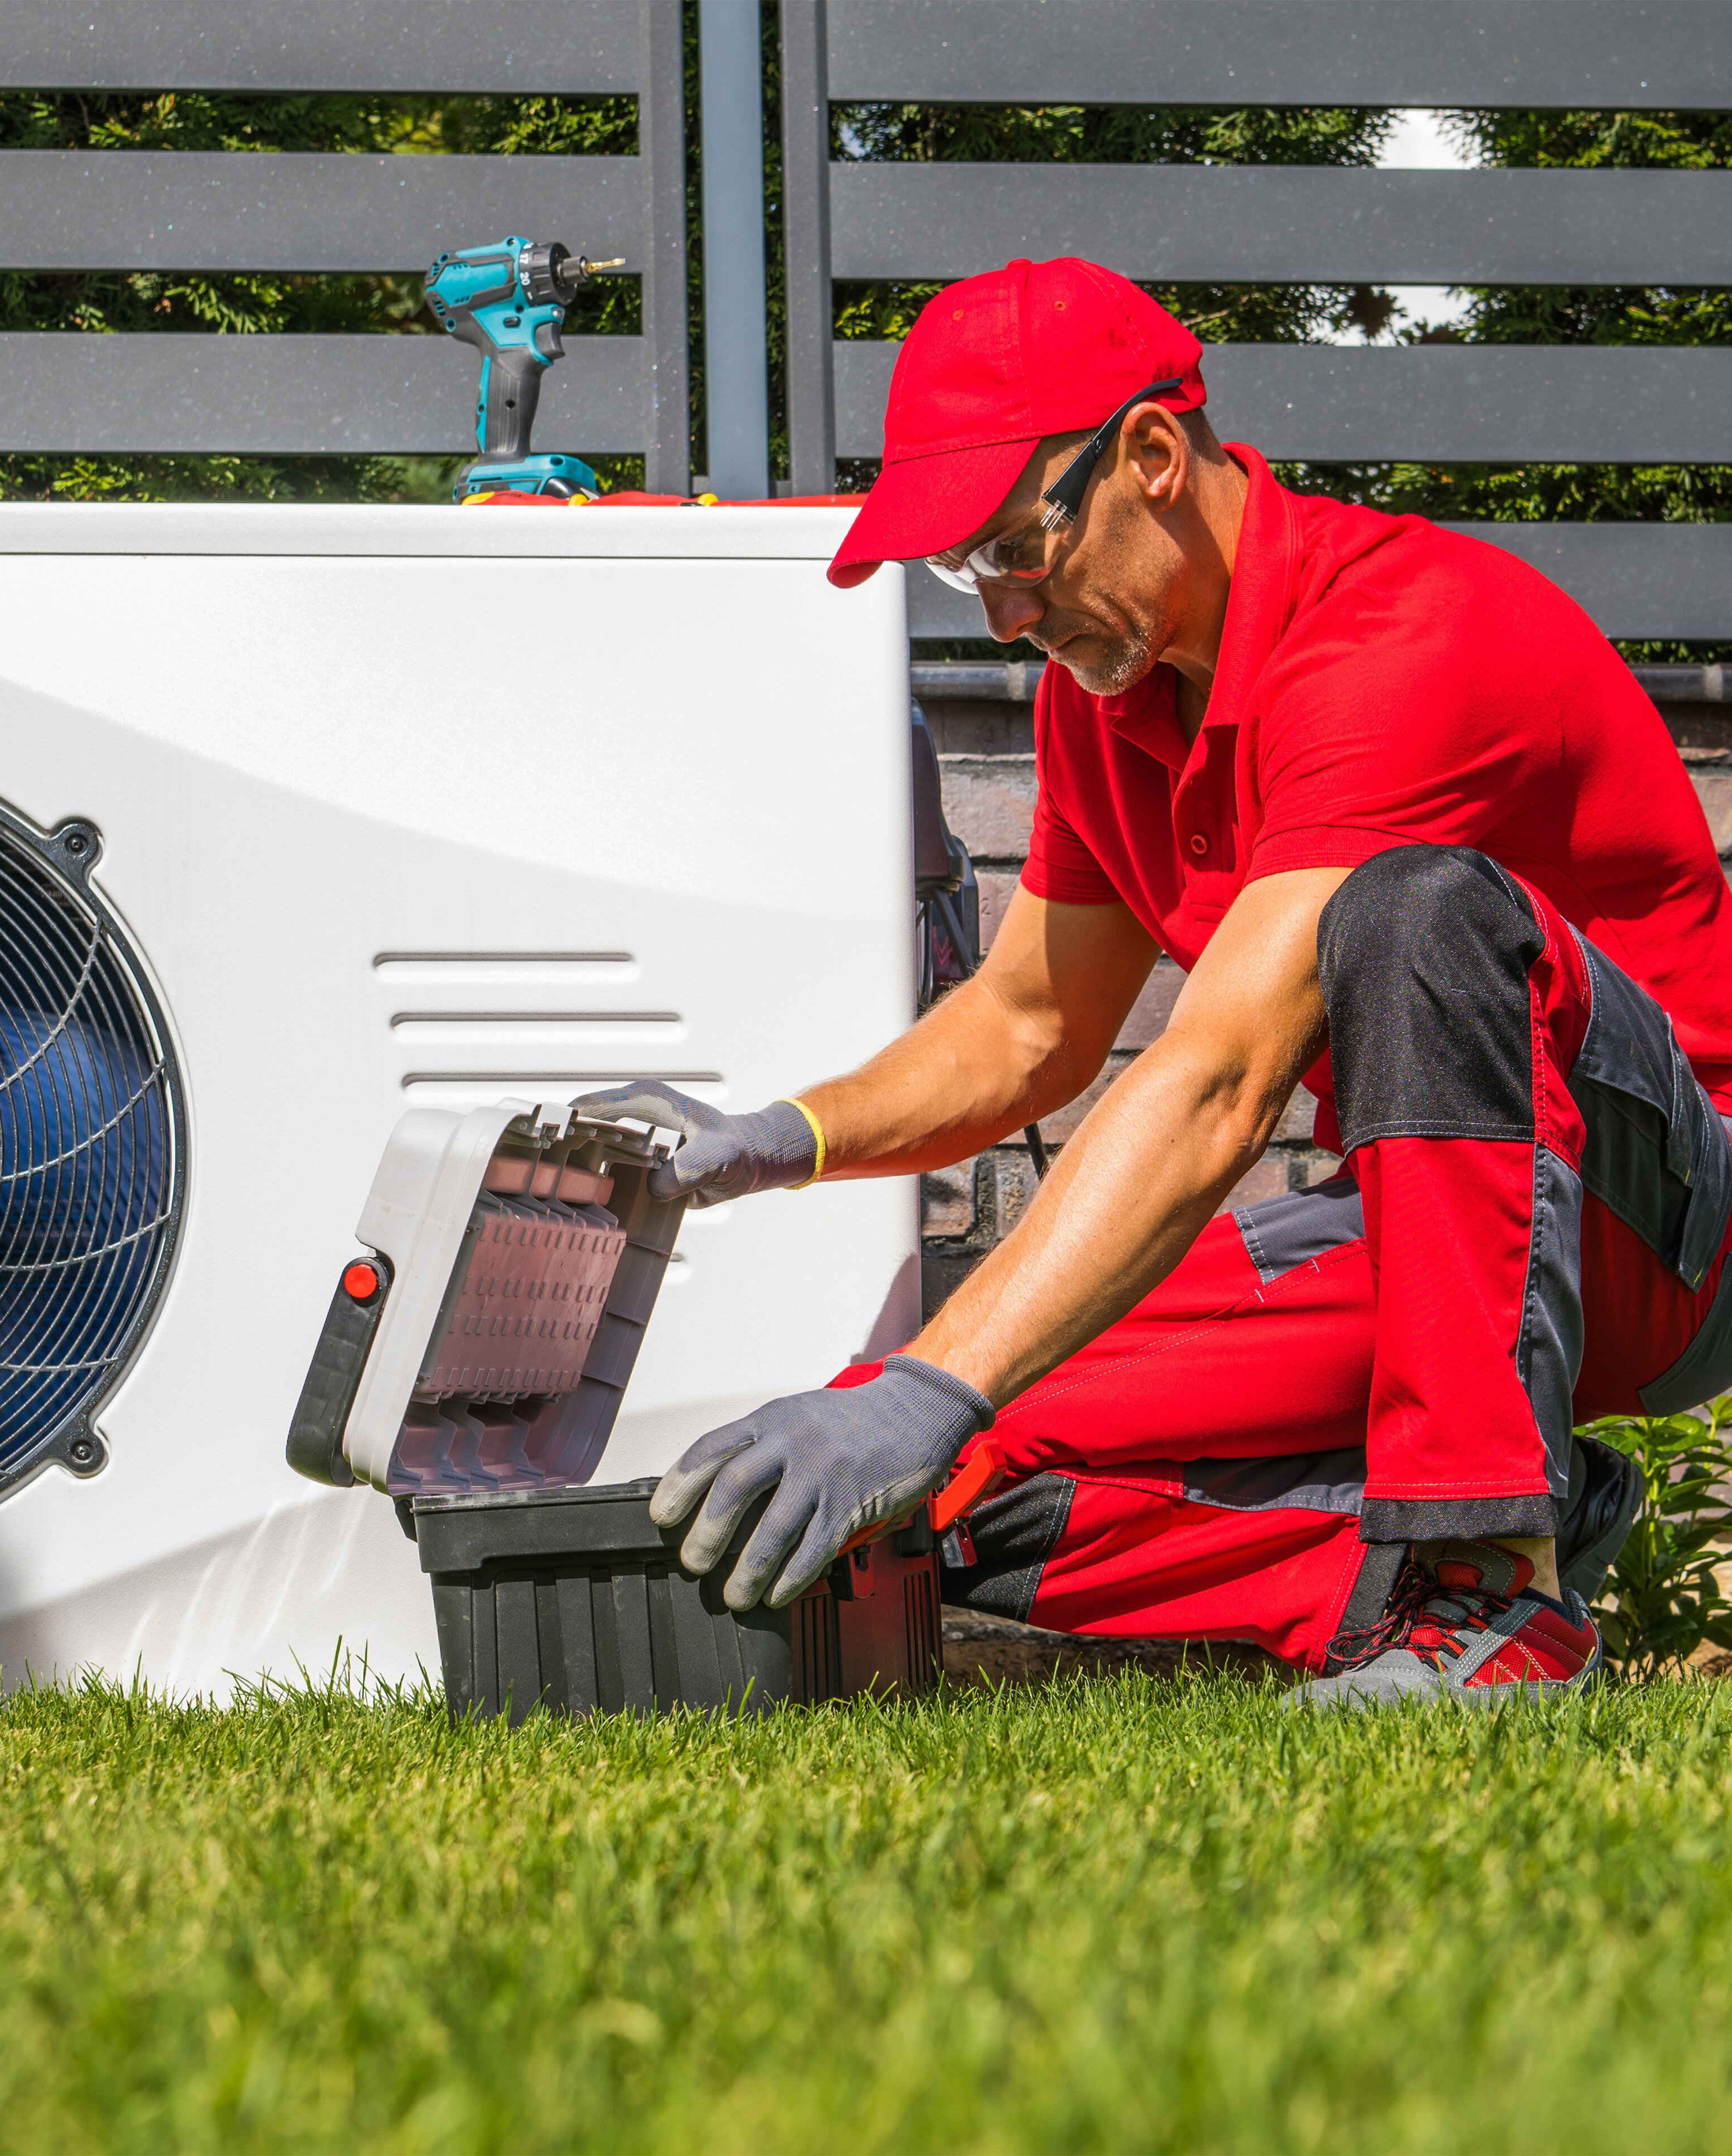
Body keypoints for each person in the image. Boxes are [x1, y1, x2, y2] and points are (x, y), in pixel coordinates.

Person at [579, 255, 1732, 1706]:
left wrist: (935, 1380)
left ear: (1150, 456)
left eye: (1014, 550)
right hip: (1437, 1241)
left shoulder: (1402, 635)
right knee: (946, 1478)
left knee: (1414, 912)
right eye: (963, 572)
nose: (1000, 616)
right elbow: (1029, 1025)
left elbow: (1224, 1075)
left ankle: (1491, 1596)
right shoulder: (1103, 704)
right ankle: (1486, 1540)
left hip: (1670, 1223)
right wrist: (781, 1141)